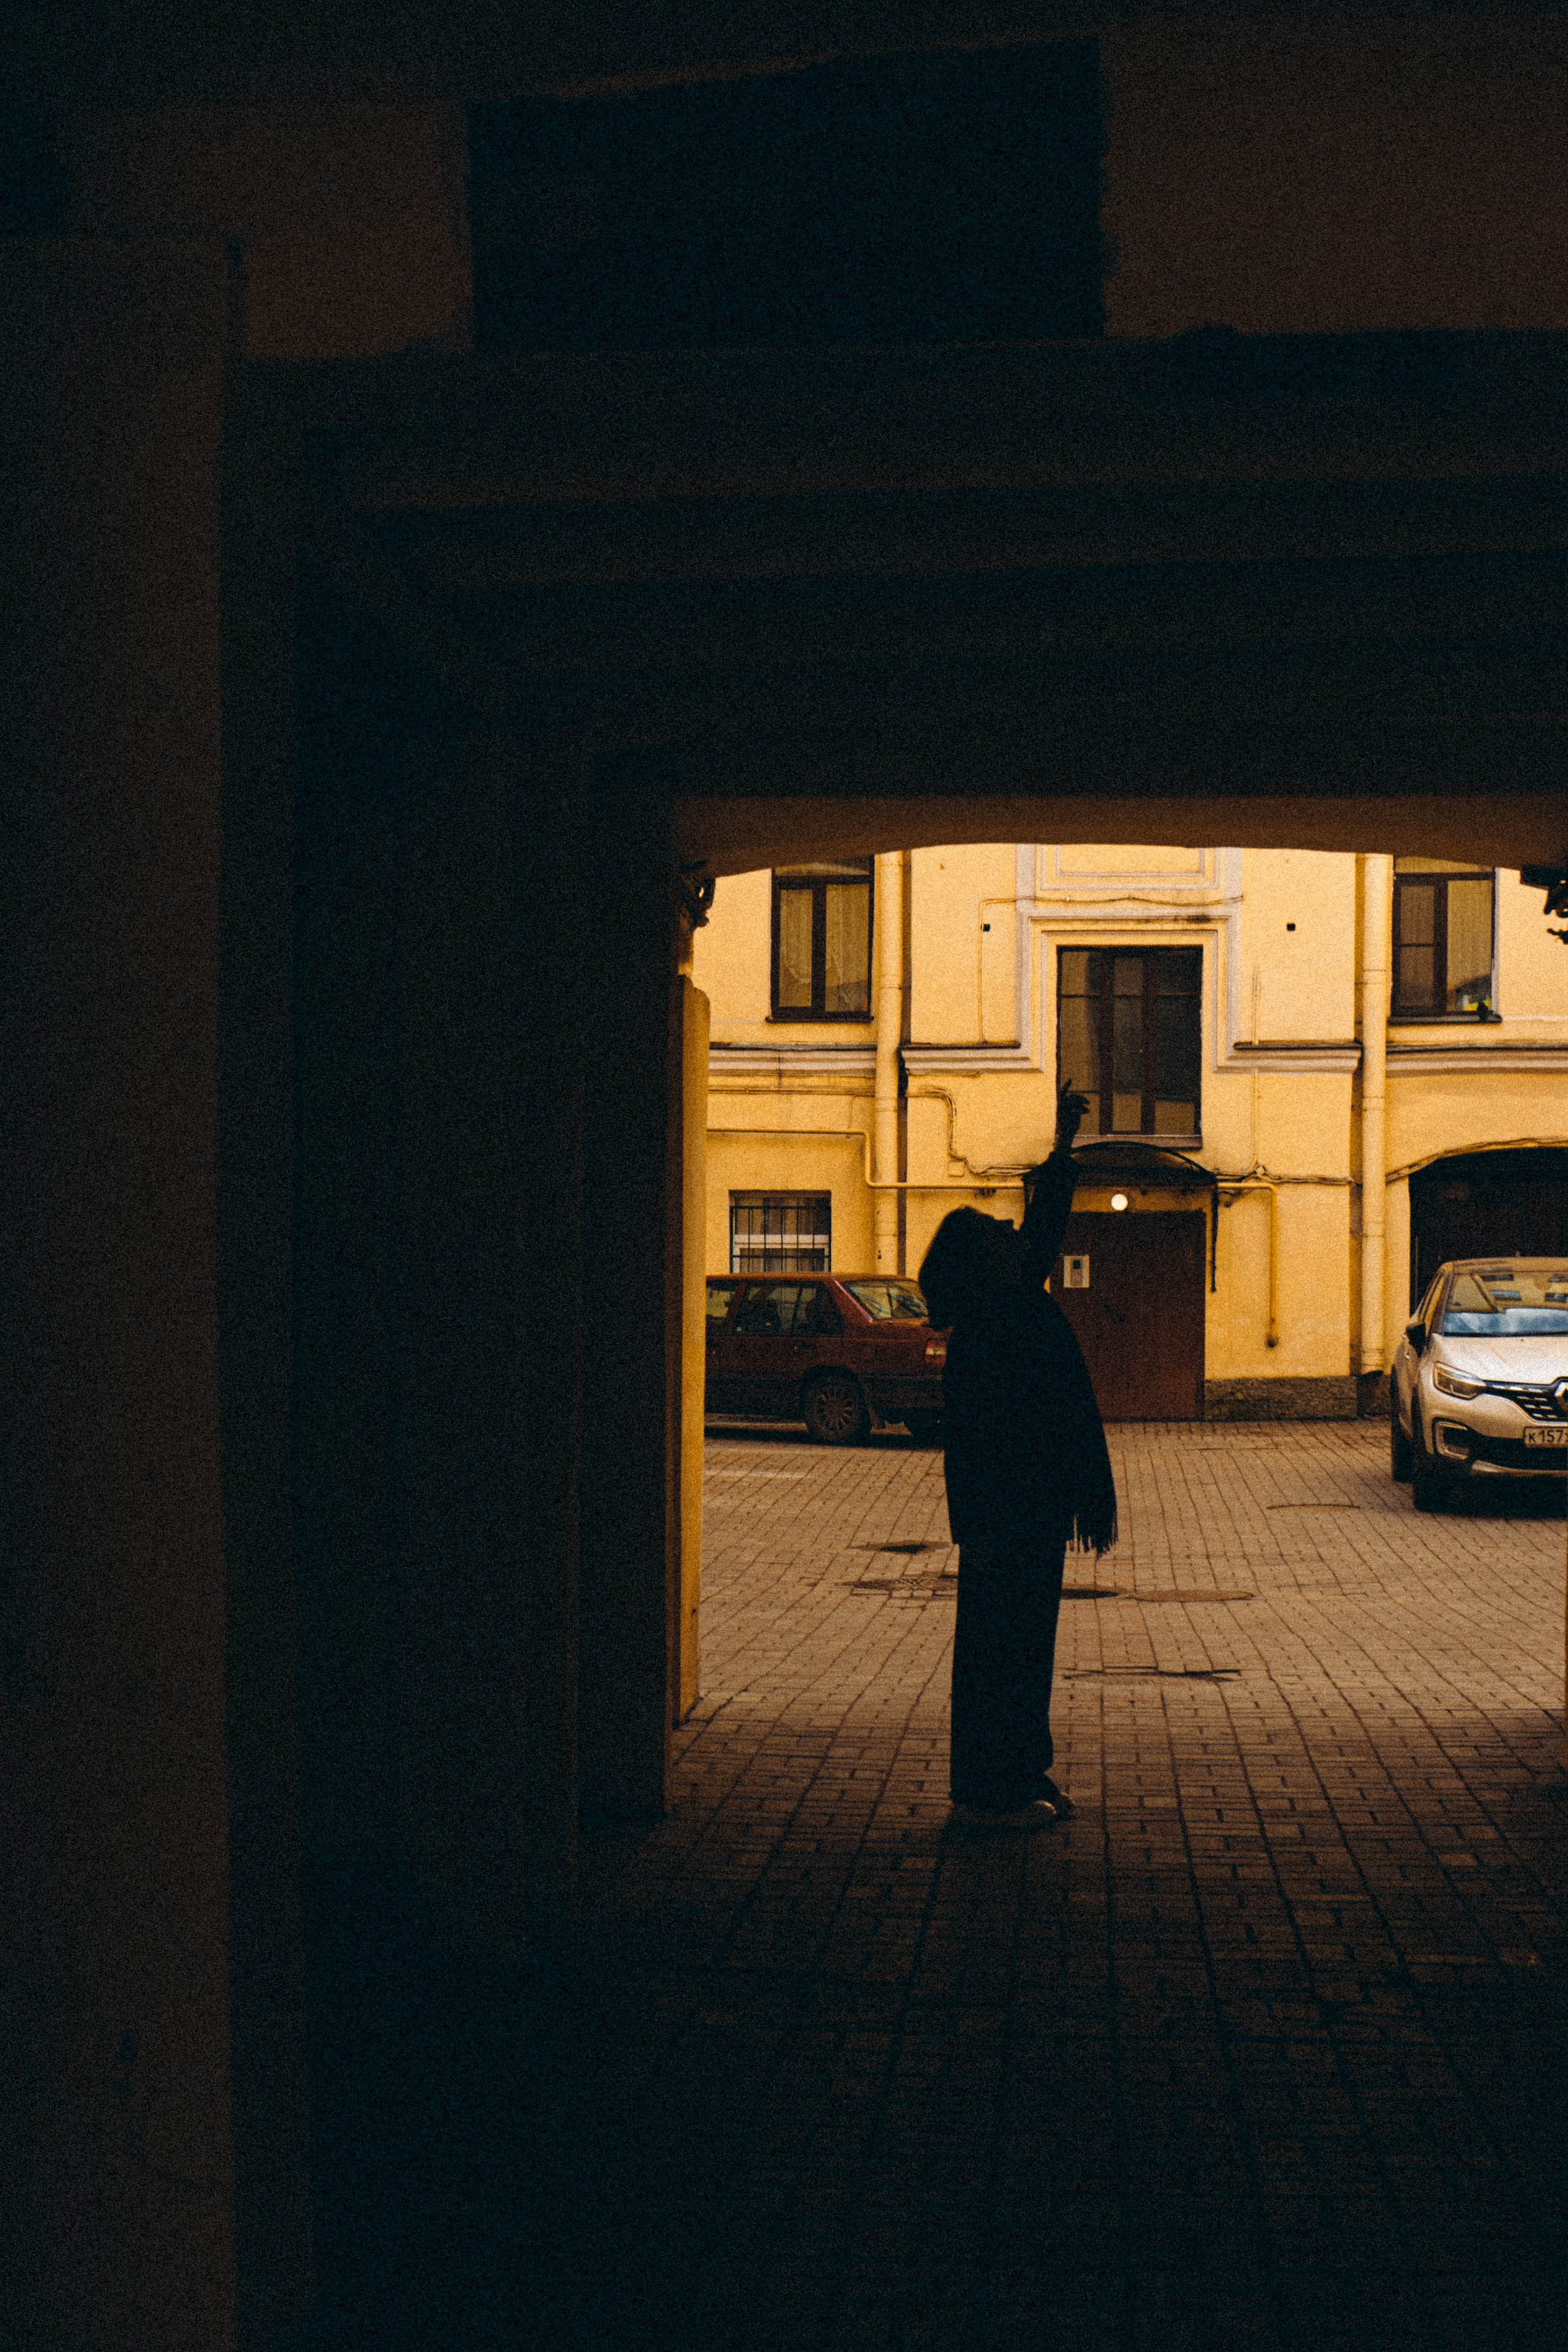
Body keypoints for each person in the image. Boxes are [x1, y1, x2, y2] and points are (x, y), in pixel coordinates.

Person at [918, 1083, 1117, 1831]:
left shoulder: (1005, 1305)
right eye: (996, 1230)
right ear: (982, 1261)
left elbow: (1041, 1226)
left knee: (1020, 1653)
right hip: (1007, 1519)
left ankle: (1020, 1774)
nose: (1012, 1230)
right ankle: (991, 1790)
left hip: (1020, 1516)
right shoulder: (995, 1325)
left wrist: (1064, 1143)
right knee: (1003, 1656)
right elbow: (1006, 1435)